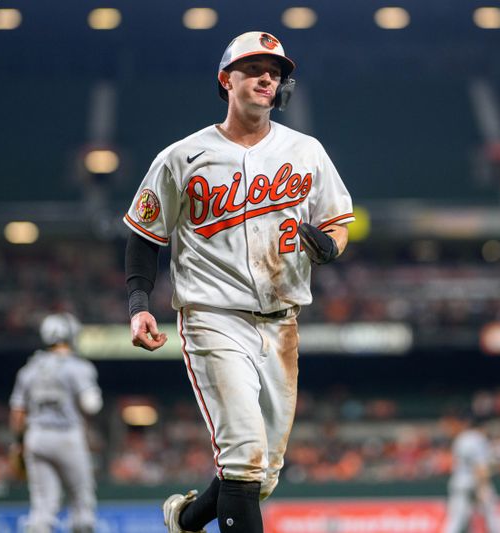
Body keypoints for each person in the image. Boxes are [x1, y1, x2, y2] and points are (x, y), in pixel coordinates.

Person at [124, 31, 355, 533]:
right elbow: (144, 234)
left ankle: (186, 518)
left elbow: (338, 221)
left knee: (261, 475)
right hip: (213, 316)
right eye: (253, 68)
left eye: (275, 71)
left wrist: (331, 245)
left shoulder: (306, 150)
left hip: (283, 322)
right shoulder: (182, 156)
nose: (267, 77)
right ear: (225, 79)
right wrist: (140, 302)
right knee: (245, 457)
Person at [9, 313, 103, 533]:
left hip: (37, 436)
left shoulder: (30, 369)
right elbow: (92, 405)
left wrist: (18, 443)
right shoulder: (78, 367)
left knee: (43, 507)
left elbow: (18, 413)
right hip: (67, 436)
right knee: (81, 502)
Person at [443, 415, 500, 533]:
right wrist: (482, 487)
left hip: (459, 481)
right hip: (475, 482)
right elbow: (480, 467)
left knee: (456, 520)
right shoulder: (479, 438)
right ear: (482, 427)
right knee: (491, 514)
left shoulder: (461, 438)